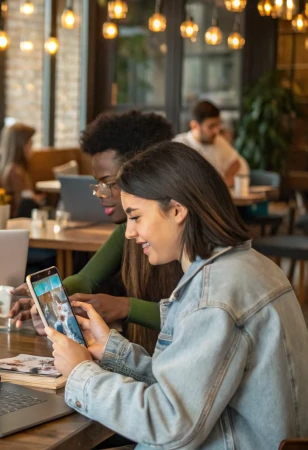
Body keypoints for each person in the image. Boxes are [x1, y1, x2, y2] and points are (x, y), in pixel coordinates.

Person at [48, 142, 308, 448]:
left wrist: (80, 373)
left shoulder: (213, 296)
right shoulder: (249, 266)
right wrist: (112, 350)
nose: (128, 233)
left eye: (136, 217)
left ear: (178, 210)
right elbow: (191, 387)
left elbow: (171, 423)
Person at [10, 111, 182, 349]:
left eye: (108, 183)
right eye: (97, 184)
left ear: (145, 175)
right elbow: (87, 279)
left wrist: (124, 306)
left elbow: (195, 317)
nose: (100, 194)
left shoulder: (190, 240)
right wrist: (49, 297)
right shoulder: (127, 232)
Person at [174, 100, 249, 187]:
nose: (217, 131)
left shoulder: (218, 140)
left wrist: (224, 182)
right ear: (194, 126)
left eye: (218, 125)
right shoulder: (180, 145)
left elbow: (237, 162)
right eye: (211, 126)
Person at [0, 122, 45, 218]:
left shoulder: (16, 168)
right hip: (17, 220)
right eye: (30, 145)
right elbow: (23, 201)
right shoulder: (13, 171)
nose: (32, 149)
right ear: (20, 146)